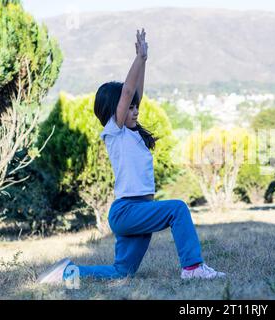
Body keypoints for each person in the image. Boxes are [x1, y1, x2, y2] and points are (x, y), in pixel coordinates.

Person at [37, 28, 225, 284]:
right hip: (128, 211)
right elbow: (126, 92)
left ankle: (66, 272)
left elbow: (135, 92)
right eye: (129, 107)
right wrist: (139, 58)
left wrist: (144, 63)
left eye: (136, 107)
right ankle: (192, 268)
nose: (135, 110)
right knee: (178, 209)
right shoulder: (114, 132)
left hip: (138, 211)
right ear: (113, 111)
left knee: (122, 272)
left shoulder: (133, 134)